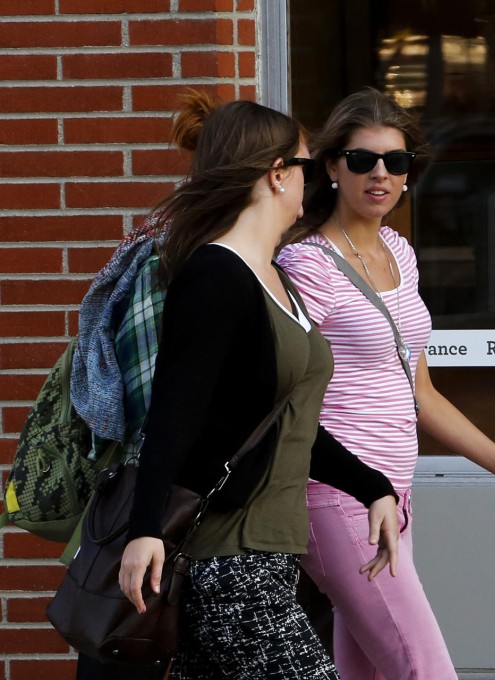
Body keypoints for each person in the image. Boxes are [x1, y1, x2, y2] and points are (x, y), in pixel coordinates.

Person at [276, 87, 495, 680]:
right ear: (334, 167)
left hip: (393, 492)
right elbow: (283, 388)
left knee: (366, 669)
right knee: (424, 669)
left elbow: (422, 394)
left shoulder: (398, 251)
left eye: (396, 161)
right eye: (362, 160)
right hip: (335, 491)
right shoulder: (306, 263)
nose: (380, 174)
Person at [116, 90, 402, 680]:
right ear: (276, 176)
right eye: (303, 166)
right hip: (228, 558)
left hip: (267, 553)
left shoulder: (273, 277)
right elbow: (174, 413)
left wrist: (370, 484)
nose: (310, 182)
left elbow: (286, 423)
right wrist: (144, 528)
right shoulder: (215, 277)